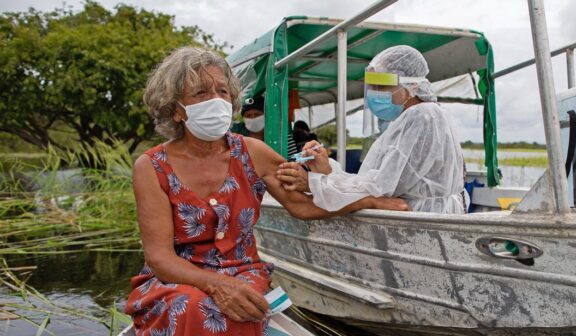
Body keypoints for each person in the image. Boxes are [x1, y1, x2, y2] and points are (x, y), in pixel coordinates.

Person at [125, 46, 409, 336]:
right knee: (193, 307)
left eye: (223, 92)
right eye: (200, 93)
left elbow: (302, 205)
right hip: (180, 276)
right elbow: (160, 257)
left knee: (241, 310)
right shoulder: (151, 167)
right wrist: (215, 284)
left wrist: (368, 200)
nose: (216, 101)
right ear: (175, 110)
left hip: (242, 270)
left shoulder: (252, 152)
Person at [276, 45, 468, 214]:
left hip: (420, 218)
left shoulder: (420, 116)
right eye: (373, 86)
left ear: (412, 86)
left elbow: (381, 188)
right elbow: (375, 181)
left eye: (382, 86)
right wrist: (327, 170)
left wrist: (314, 182)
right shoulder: (425, 115)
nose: (375, 93)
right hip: (421, 214)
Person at [231, 96, 299, 157]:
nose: (253, 118)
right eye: (248, 115)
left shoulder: (281, 137)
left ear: (266, 115)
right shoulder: (237, 138)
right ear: (243, 118)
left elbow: (293, 160)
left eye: (257, 114)